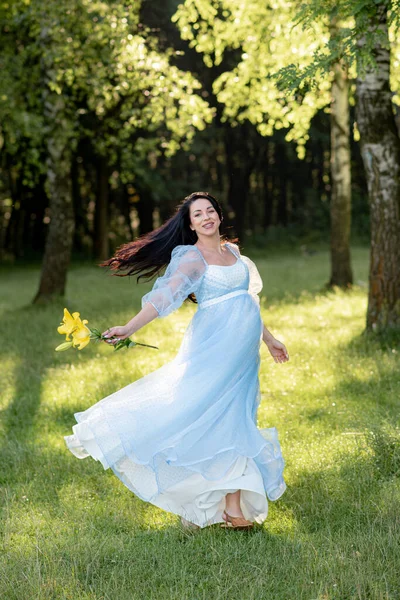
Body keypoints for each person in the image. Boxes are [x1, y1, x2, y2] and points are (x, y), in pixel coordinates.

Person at [64, 191, 289, 530]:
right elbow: (163, 298)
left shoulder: (234, 253)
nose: (206, 217)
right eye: (198, 214)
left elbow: (248, 302)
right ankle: (195, 503)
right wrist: (128, 327)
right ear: (190, 224)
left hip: (244, 356)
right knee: (206, 416)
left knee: (238, 418)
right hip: (214, 348)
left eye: (210, 210)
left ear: (218, 215)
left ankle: (231, 510)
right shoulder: (192, 258)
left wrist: (270, 340)